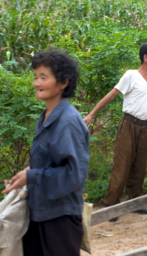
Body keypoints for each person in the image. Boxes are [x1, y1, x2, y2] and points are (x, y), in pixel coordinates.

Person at [2, 50, 89, 256]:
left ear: (63, 83)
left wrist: (32, 176)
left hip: (59, 218)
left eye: (44, 77)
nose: (37, 83)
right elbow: (50, 163)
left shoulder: (68, 122)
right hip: (40, 212)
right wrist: (25, 177)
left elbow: (74, 175)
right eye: (35, 77)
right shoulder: (46, 116)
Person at [83, 43, 147, 221]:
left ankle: (135, 202)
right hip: (129, 125)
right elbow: (112, 95)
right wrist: (91, 114)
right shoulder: (131, 76)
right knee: (122, 164)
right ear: (146, 57)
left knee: (140, 166)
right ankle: (110, 206)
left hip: (145, 128)